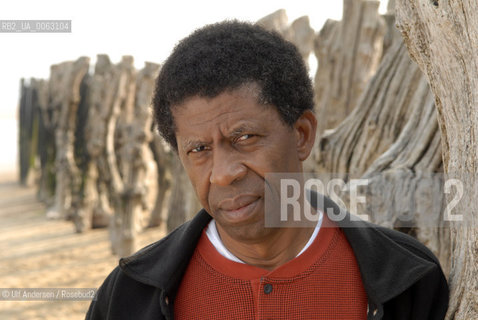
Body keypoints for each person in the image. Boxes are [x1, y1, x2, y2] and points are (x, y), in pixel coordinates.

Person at [86, 21, 449, 319]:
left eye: (244, 137)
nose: (224, 173)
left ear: (302, 135)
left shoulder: (408, 282)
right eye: (199, 149)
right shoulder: (129, 298)